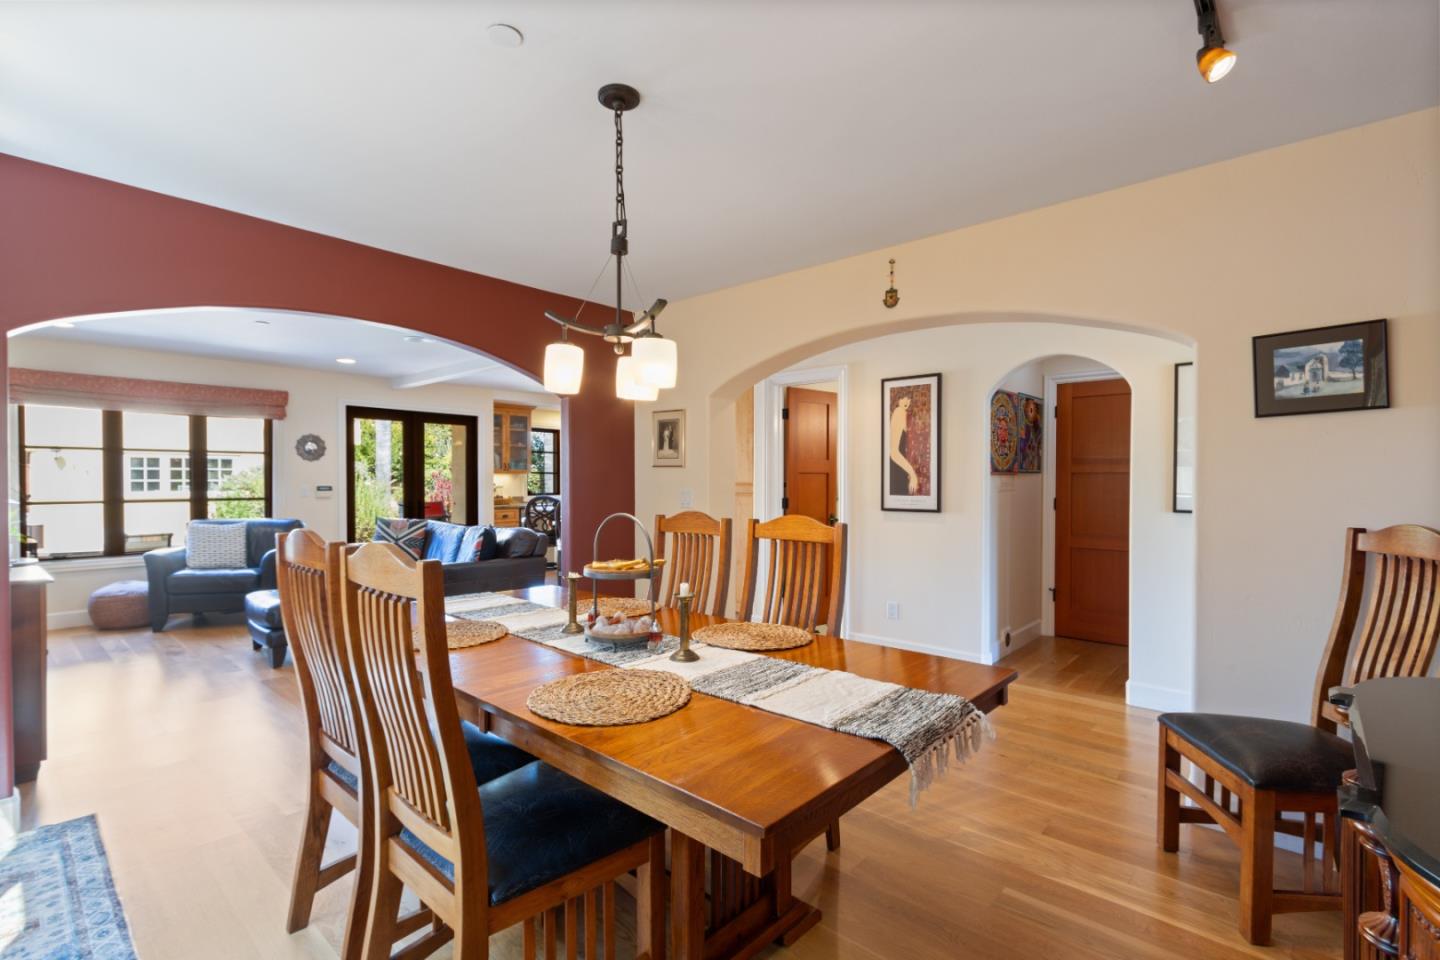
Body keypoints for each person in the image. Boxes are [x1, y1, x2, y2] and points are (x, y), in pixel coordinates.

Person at [889, 395, 920, 495]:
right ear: (898, 399)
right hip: (900, 469)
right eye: (905, 398)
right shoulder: (899, 411)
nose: (908, 401)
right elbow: (893, 452)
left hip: (903, 469)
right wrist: (913, 474)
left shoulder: (905, 414)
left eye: (909, 399)